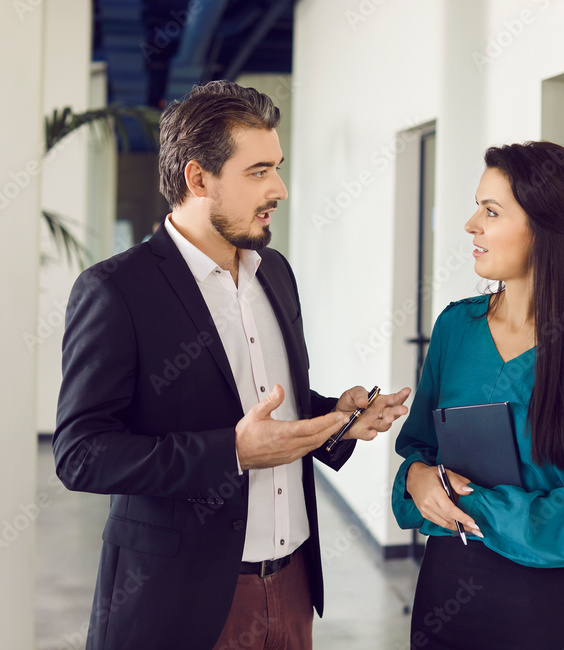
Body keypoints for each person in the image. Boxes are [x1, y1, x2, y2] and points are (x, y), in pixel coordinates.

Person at [53, 80, 411, 649]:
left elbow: (266, 409)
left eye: (278, 167)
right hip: (180, 600)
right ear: (198, 179)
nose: (280, 189)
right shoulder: (117, 290)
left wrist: (335, 418)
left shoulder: (276, 273)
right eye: (258, 171)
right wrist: (233, 453)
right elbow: (80, 454)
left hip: (291, 583)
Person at [392, 141, 564, 648]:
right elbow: (418, 449)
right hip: (442, 599)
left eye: (491, 211)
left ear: (544, 226)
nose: (471, 224)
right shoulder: (455, 327)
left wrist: (474, 505)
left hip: (543, 612)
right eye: (476, 207)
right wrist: (416, 480)